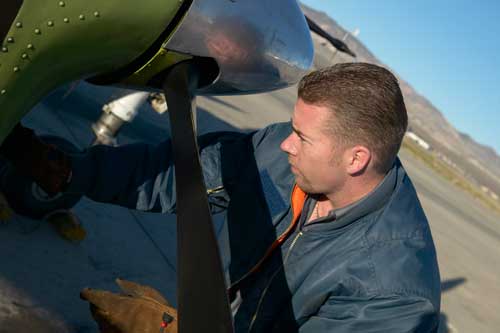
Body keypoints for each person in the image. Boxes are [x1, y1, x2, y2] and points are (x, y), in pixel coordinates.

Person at [0, 63, 441, 332]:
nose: (286, 142)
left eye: (303, 137)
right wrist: (74, 171)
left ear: (356, 158)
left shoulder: (392, 292)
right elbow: (184, 175)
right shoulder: (280, 151)